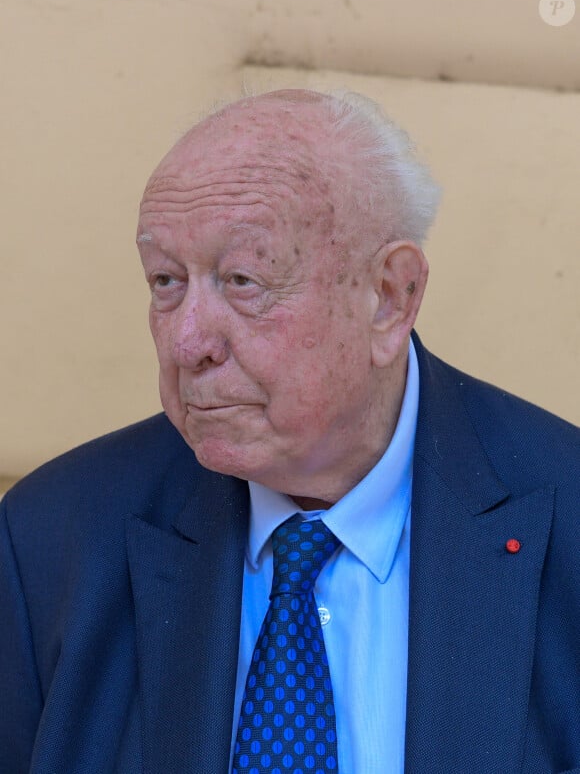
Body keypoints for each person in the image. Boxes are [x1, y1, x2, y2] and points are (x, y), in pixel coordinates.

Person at [1, 89, 578, 774]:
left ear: (390, 298)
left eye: (243, 280)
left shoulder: (563, 514)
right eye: (165, 280)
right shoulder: (47, 542)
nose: (188, 341)